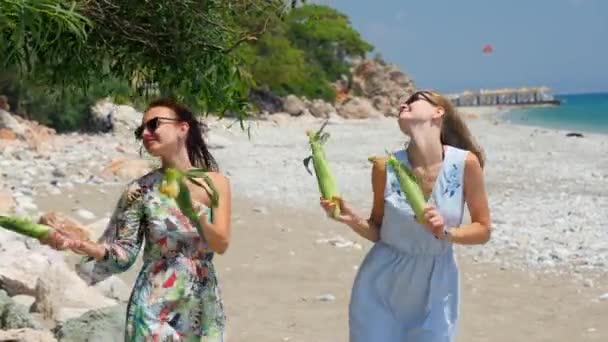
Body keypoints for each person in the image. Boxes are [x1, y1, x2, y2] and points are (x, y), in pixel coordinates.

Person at [43, 97, 232, 341]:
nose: (145, 132)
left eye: (153, 124)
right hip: (153, 303)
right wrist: (81, 245)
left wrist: (193, 212)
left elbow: (221, 243)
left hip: (202, 303)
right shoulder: (139, 190)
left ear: (182, 128)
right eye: (140, 129)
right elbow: (123, 253)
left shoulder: (215, 183)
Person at [320, 90, 491, 341]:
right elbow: (379, 231)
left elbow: (483, 229)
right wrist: (351, 218)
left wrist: (447, 232)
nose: (403, 104)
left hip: (437, 286)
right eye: (403, 102)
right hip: (381, 284)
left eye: (413, 100)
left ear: (438, 112)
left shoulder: (465, 164)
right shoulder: (384, 167)